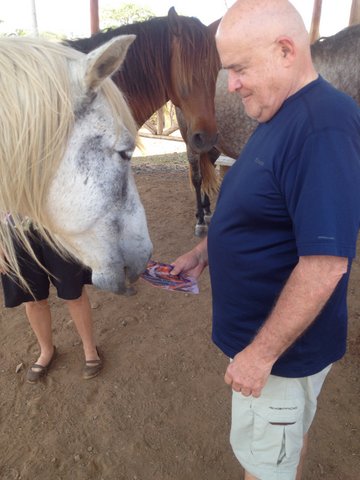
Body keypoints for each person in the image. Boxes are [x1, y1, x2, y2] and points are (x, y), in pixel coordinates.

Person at [171, 1, 360, 479]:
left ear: (285, 51)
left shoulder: (321, 128)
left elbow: (325, 264)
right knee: (282, 450)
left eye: (238, 68)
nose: (230, 85)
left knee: (266, 468)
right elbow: (263, 212)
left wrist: (261, 355)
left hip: (279, 358)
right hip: (270, 347)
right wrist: (203, 252)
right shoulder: (279, 112)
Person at [0, 226, 102, 383]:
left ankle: (90, 349)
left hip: (55, 223)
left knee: (74, 292)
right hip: (13, 230)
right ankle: (46, 351)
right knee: (32, 298)